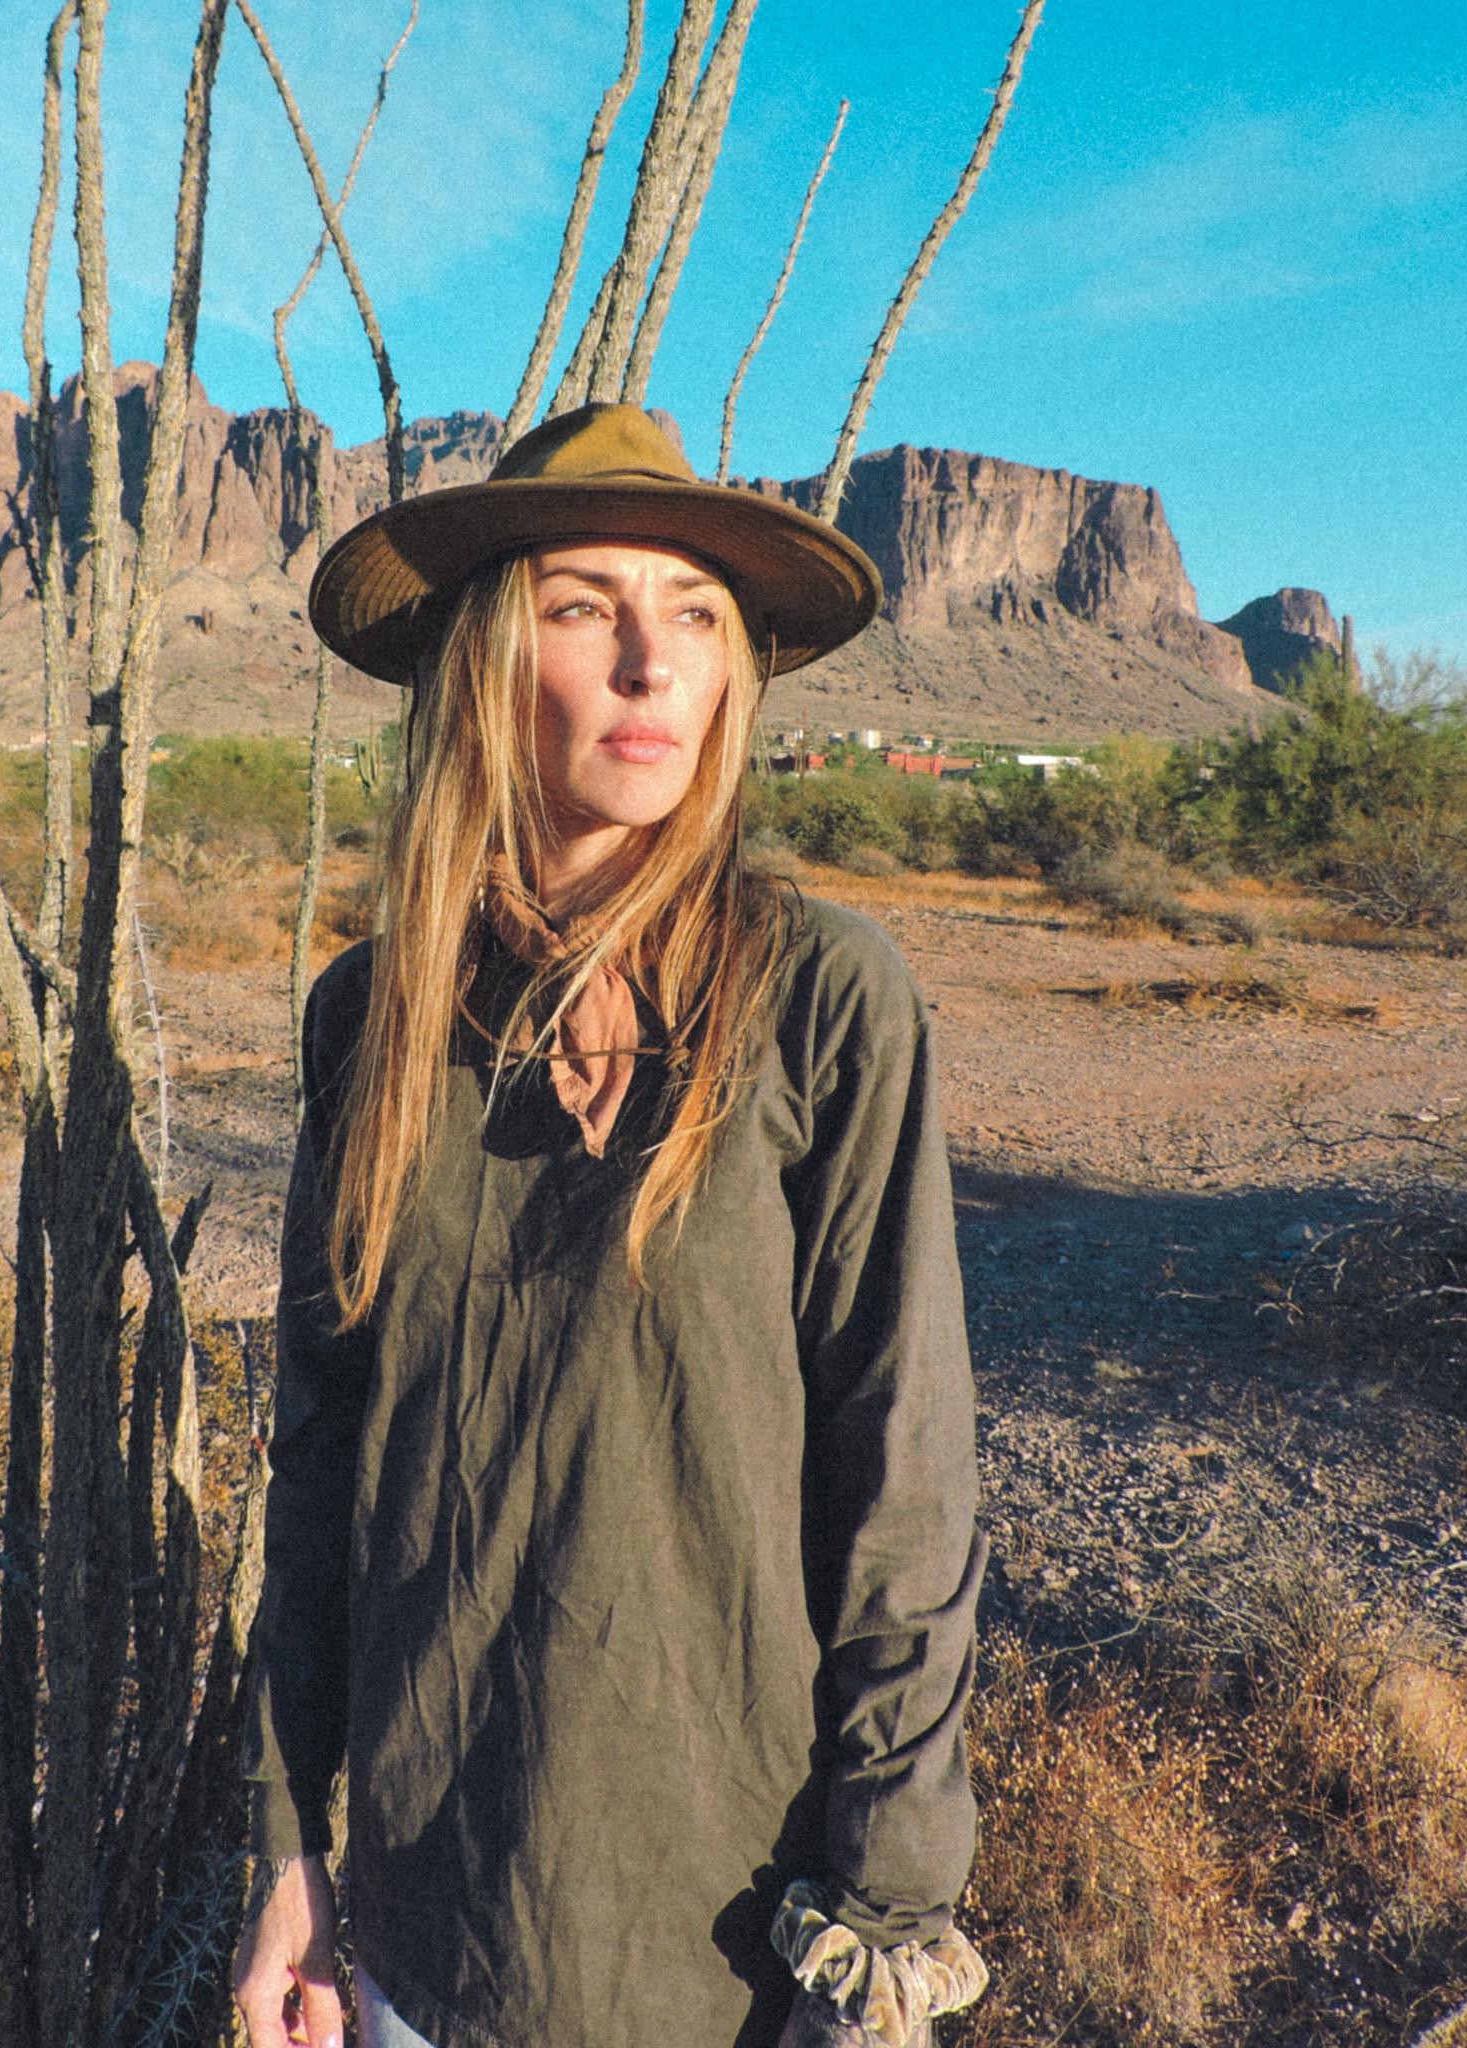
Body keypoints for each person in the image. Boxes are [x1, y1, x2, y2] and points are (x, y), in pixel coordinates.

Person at [233, 404, 988, 2048]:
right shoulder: (370, 1017)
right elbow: (322, 1453)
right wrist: (291, 1850)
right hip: (428, 1934)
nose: (651, 662)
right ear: (486, 660)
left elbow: (903, 1475)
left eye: (697, 616)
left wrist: (886, 1928)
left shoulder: (821, 998)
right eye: (584, 606)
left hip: (740, 1937)